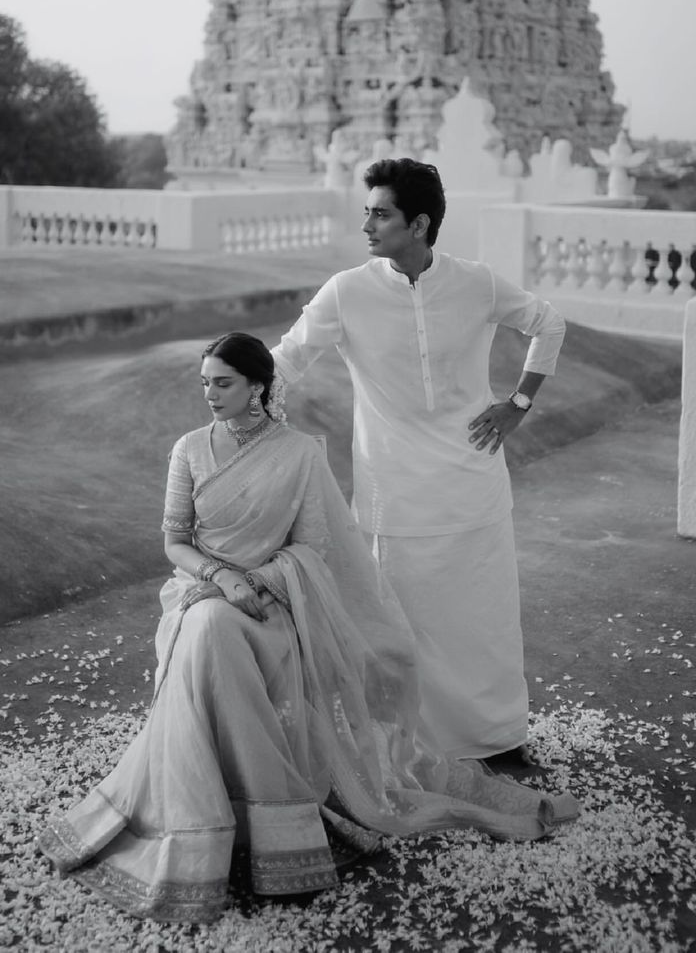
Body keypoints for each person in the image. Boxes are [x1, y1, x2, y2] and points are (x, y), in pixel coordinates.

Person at [38, 333, 576, 923]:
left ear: (258, 388)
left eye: (224, 383)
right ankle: (216, 827)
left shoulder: (298, 453)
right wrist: (223, 579)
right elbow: (175, 542)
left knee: (218, 634)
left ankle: (249, 825)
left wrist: (260, 582)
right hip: (202, 594)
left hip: (278, 600)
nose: (211, 395)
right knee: (211, 629)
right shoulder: (189, 449)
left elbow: (313, 547)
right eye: (205, 383)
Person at [271, 159, 566, 766]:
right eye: (368, 212)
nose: (368, 225)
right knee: (400, 626)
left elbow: (549, 323)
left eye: (381, 213)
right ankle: (408, 747)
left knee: (481, 622)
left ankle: (497, 740)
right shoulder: (347, 290)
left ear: (421, 223)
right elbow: (288, 359)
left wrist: (518, 401)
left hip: (473, 482)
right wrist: (233, 398)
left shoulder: (476, 283)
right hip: (393, 492)